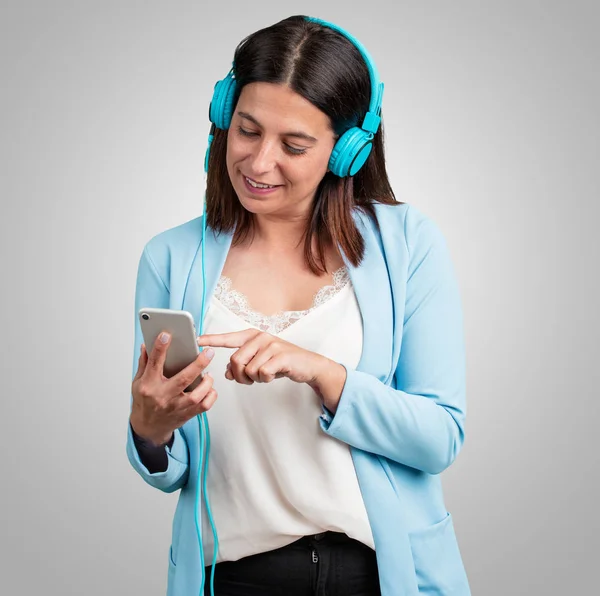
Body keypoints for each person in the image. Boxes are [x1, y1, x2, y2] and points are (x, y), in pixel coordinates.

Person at [126, 14, 471, 596]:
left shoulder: (406, 244)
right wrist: (148, 431)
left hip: (377, 575)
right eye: (247, 130)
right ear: (222, 119)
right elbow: (170, 467)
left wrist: (319, 370)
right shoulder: (170, 257)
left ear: (347, 152)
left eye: (294, 145)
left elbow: (439, 439)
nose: (259, 164)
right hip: (233, 579)